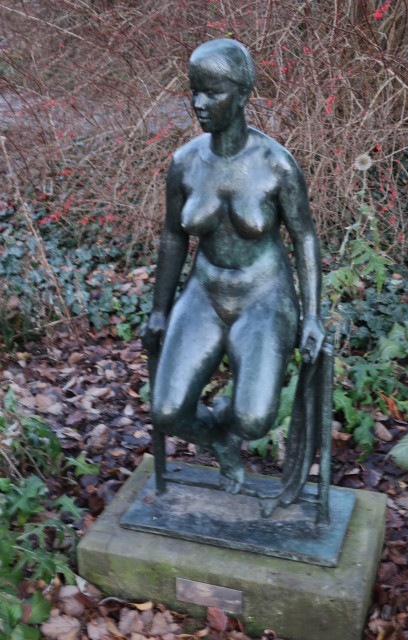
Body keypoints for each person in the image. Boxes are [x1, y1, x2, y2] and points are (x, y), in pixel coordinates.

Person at [142, 38, 324, 494]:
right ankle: (219, 441)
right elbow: (173, 236)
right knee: (166, 412)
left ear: (242, 95)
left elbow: (304, 236)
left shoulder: (276, 165)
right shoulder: (185, 163)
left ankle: (232, 424)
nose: (199, 103)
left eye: (213, 92)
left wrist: (312, 316)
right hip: (205, 292)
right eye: (194, 91)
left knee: (255, 419)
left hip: (263, 295)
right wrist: (160, 309)